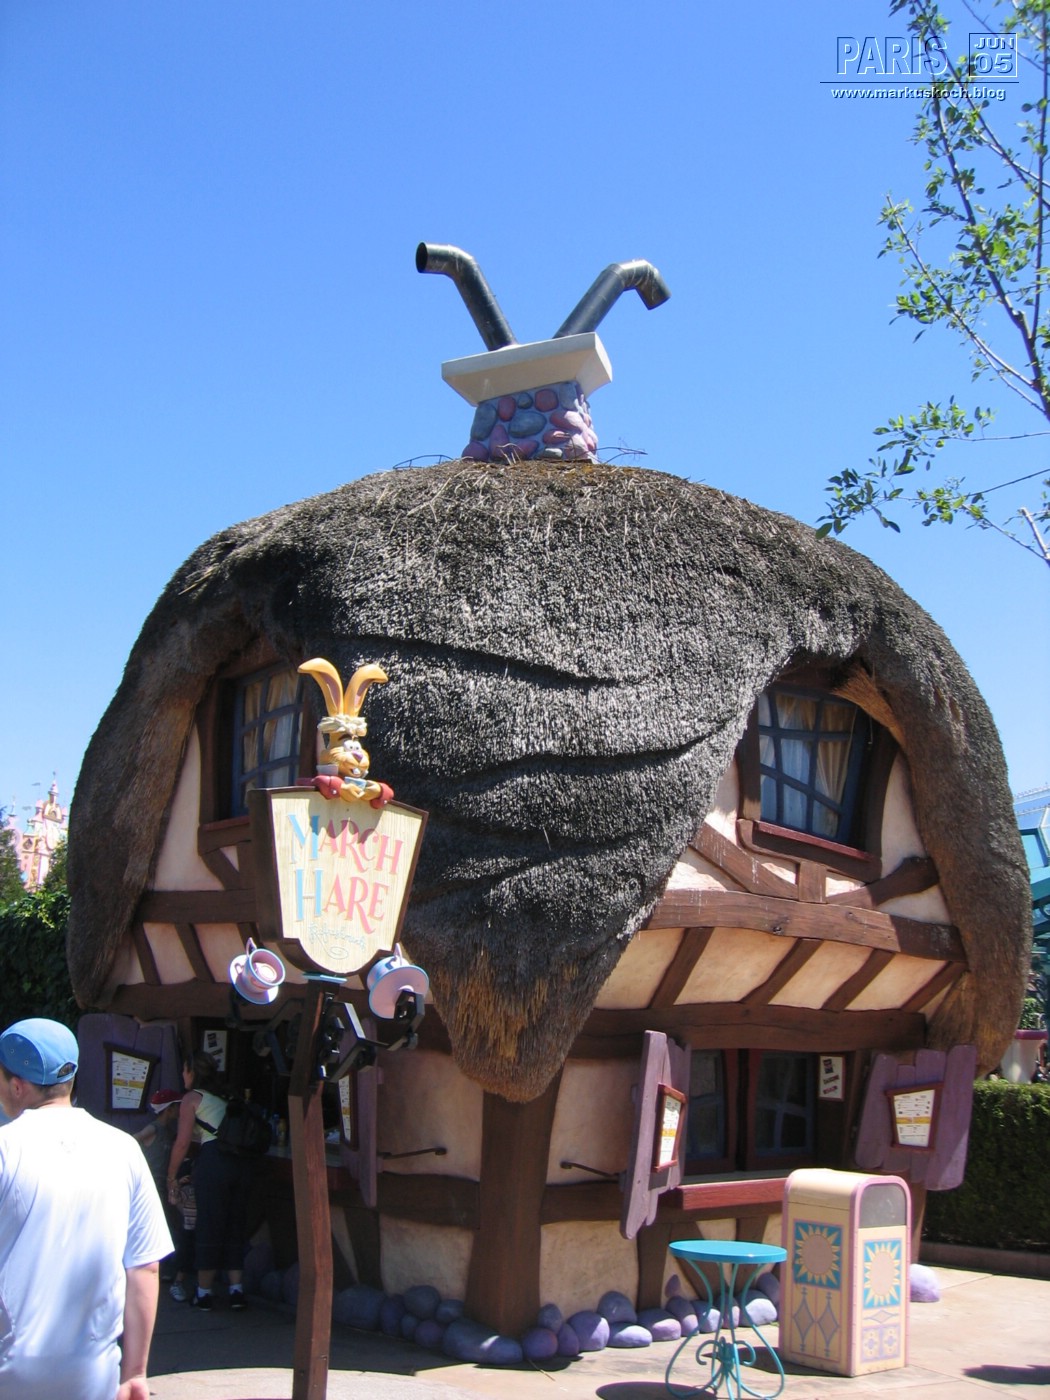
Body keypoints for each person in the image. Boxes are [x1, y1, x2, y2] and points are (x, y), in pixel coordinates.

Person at [0, 1017, 173, 1400]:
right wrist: (135, 1372)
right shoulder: (123, 1149)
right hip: (92, 1375)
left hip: (9, 1371)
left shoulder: (5, 1148)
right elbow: (145, 1266)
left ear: (16, 1086)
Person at [166, 1051, 253, 1310]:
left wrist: (171, 1175)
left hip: (214, 1161)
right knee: (235, 1224)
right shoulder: (228, 1096)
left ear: (192, 1072)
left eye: (185, 1070)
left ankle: (204, 1292)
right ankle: (236, 1290)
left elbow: (182, 1143)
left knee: (208, 1223)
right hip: (241, 1162)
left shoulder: (192, 1098)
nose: (183, 1075)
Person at [134, 1088, 195, 1302]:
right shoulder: (155, 1128)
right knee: (160, 1226)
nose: (179, 1111)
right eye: (177, 1107)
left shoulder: (169, 1131)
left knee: (169, 1225)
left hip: (163, 1185)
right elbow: (134, 1139)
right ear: (169, 1109)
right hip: (153, 1184)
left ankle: (164, 1269)